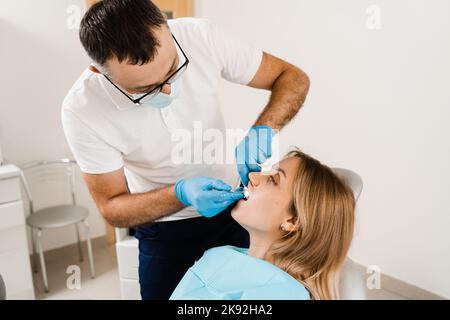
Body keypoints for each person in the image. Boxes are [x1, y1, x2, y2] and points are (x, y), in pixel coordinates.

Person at [62, 0, 310, 299]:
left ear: (167, 29)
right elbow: (112, 208)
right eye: (144, 90)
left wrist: (264, 129)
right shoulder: (82, 109)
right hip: (165, 233)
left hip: (235, 214)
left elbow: (293, 78)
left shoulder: (199, 36)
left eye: (173, 70)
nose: (167, 90)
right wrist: (177, 194)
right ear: (99, 72)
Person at [171, 149, 355, 300]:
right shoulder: (223, 253)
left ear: (292, 221)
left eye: (273, 180)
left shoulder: (285, 295)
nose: (252, 175)